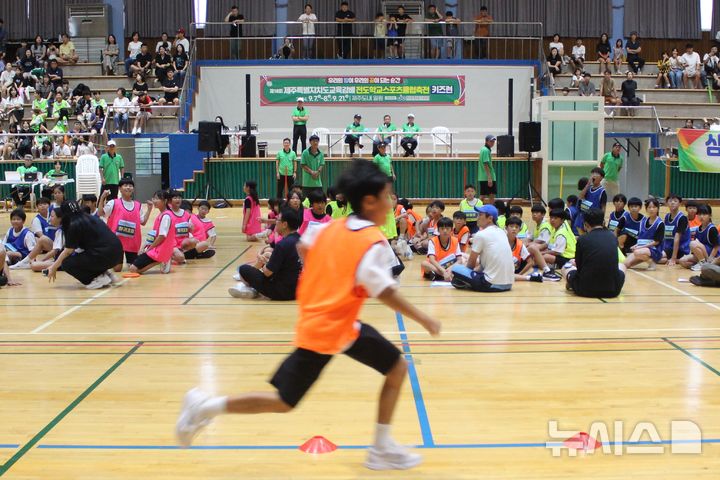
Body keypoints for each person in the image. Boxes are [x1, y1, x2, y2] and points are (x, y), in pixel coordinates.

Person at [177, 159, 441, 471]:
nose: (392, 201)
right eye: (388, 196)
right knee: (284, 401)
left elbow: (304, 247)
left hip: (334, 324)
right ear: (370, 202)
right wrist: (424, 318)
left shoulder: (332, 227)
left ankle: (381, 447)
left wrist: (329, 279)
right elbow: (384, 291)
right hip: (329, 331)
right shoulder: (372, 242)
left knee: (396, 367)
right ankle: (205, 406)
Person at [46, 201, 123, 289]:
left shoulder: (73, 225)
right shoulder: (89, 218)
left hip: (104, 254)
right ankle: (106, 274)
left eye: (52, 216)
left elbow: (68, 251)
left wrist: (53, 267)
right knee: (83, 256)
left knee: (67, 263)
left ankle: (94, 280)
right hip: (118, 254)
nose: (50, 219)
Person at [230, 207, 302, 300]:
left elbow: (267, 273)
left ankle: (251, 290)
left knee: (244, 269)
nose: (276, 222)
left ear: (284, 224)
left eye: (277, 220)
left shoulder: (283, 244)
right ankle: (250, 288)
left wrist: (263, 262)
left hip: (281, 292)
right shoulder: (301, 240)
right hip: (298, 290)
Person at [564, 208, 626, 298]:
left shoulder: (582, 239)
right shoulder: (612, 237)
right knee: (622, 266)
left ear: (585, 225)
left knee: (566, 267)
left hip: (585, 290)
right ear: (603, 222)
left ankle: (571, 284)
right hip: (613, 291)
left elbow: (579, 267)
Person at [450, 204, 513, 292]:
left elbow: (470, 265)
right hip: (508, 284)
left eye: (480, 215)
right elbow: (483, 265)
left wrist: (461, 274)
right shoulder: (502, 232)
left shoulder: (481, 234)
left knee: (456, 269)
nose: (477, 217)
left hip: (490, 284)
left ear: (490, 219)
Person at [99, 178, 152, 271]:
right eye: (125, 185)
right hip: (117, 242)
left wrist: (149, 209)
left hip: (132, 243)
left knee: (132, 268)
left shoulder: (137, 205)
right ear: (120, 188)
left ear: (133, 189)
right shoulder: (113, 203)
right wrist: (102, 197)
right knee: (117, 269)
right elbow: (100, 213)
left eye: (130, 185)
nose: (128, 187)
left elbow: (143, 222)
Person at [130, 190, 175, 275]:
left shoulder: (166, 216)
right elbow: (153, 235)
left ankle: (163, 259)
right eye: (154, 198)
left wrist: (149, 249)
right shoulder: (161, 215)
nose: (154, 201)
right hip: (155, 249)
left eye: (157, 199)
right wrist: (144, 247)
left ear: (165, 201)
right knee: (133, 268)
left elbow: (162, 236)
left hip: (160, 250)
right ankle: (163, 259)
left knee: (133, 269)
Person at [623, 197, 664, 270]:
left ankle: (652, 263)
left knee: (637, 252)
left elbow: (656, 242)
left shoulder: (660, 223)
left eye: (654, 207)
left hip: (654, 249)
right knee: (626, 264)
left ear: (657, 208)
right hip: (642, 249)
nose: (651, 209)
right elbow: (641, 238)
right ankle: (644, 258)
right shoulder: (643, 221)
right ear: (646, 209)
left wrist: (640, 247)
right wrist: (636, 245)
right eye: (649, 207)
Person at [679, 204, 718, 271]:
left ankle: (704, 263)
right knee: (682, 261)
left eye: (704, 214)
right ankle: (702, 265)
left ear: (710, 215)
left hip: (711, 255)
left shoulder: (712, 229)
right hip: (702, 254)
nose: (701, 217)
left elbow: (716, 246)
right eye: (699, 214)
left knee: (692, 243)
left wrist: (710, 258)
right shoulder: (698, 229)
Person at [662, 193, 690, 266]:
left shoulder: (682, 218)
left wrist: (673, 258)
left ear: (680, 203)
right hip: (668, 248)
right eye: (670, 201)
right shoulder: (667, 216)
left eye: (675, 201)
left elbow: (677, 239)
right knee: (654, 256)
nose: (672, 203)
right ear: (667, 203)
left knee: (655, 256)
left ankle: (676, 259)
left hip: (680, 249)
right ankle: (672, 259)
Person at [575, 169, 607, 234]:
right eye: (592, 174)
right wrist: (587, 185)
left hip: (593, 219)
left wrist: (601, 219)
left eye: (596, 174)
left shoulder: (602, 191)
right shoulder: (588, 188)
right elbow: (580, 197)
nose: (593, 176)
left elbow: (603, 208)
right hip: (582, 218)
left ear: (601, 178)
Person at [478, 134, 496, 204]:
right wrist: (489, 178)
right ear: (486, 141)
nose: (492, 143)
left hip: (483, 177)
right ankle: (491, 212)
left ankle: (476, 210)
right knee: (491, 195)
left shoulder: (484, 149)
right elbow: (486, 164)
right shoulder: (486, 150)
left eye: (493, 141)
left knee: (483, 195)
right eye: (491, 141)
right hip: (487, 177)